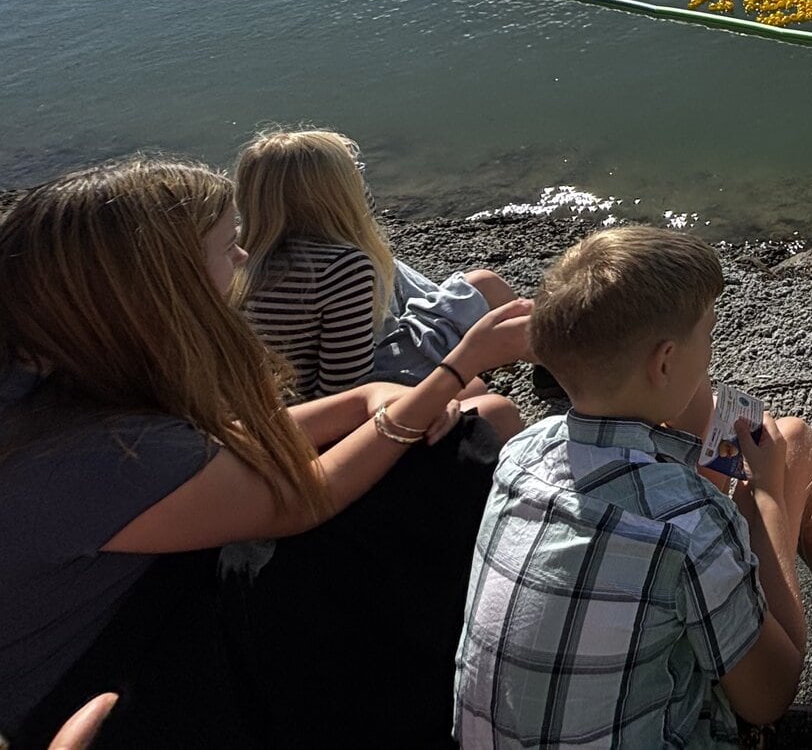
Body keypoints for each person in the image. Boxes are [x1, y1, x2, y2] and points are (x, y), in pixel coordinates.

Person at [0, 155, 533, 747]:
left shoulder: (49, 379)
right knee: (454, 458)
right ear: (160, 284)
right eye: (227, 245)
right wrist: (456, 370)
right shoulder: (100, 451)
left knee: (460, 435)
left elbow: (219, 448)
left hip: (131, 613)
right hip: (104, 687)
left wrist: (363, 401)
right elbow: (303, 499)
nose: (243, 257)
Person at [455, 226, 812, 750]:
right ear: (666, 361)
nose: (711, 354)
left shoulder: (522, 454)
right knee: (794, 449)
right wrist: (763, 495)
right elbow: (772, 696)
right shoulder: (687, 524)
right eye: (709, 334)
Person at [234, 127, 522, 417]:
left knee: (467, 294)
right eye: (355, 174)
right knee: (485, 296)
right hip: (330, 411)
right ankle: (556, 364)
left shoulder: (237, 254)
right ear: (338, 193)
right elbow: (347, 389)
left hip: (280, 408)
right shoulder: (341, 266)